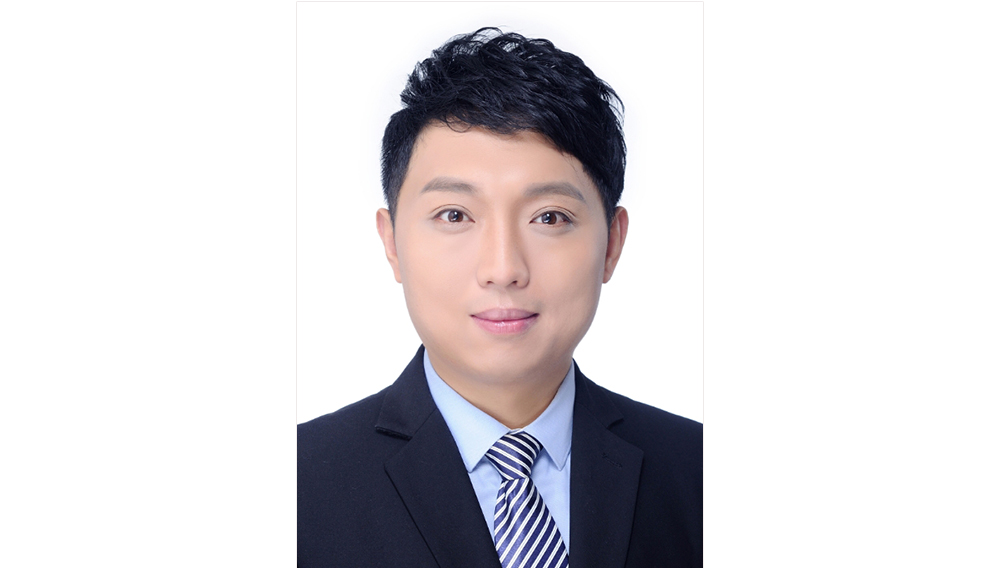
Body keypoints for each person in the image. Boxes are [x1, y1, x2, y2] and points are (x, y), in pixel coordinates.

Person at [298, 28, 702, 568]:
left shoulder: (700, 473)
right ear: (392, 243)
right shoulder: (297, 486)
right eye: (455, 215)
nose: (503, 269)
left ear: (612, 244)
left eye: (549, 217)